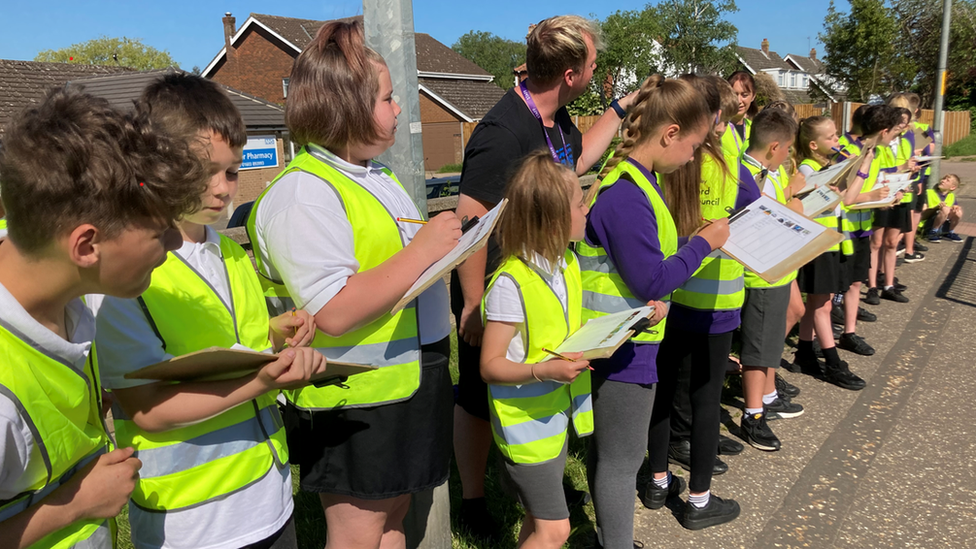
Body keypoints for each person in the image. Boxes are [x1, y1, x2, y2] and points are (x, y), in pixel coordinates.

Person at [247, 21, 460, 549]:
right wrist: (425, 250)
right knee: (357, 532)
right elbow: (335, 311)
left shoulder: (376, 175)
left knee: (394, 513)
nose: (400, 110)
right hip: (352, 396)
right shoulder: (303, 193)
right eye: (389, 99)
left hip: (405, 379)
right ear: (349, 107)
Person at [92, 74, 327, 549]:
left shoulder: (230, 253)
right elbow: (144, 408)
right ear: (158, 166)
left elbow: (230, 339)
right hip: (190, 521)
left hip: (270, 496)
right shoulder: (127, 274)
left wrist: (275, 333)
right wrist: (264, 381)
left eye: (233, 171)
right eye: (205, 172)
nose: (222, 188)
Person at [450, 15, 638, 536]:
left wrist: (621, 109)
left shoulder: (556, 121)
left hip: (537, 276)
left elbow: (576, 161)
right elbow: (471, 224)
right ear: (571, 74)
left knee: (527, 385)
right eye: (593, 65)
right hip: (494, 285)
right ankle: (472, 498)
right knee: (475, 394)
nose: (596, 72)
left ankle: (535, 479)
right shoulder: (502, 131)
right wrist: (471, 305)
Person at [0, 88, 208, 548]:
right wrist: (75, 504)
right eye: (160, 231)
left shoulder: (64, 290)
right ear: (86, 246)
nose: (176, 243)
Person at [580, 75, 731, 538]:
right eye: (693, 145)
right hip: (623, 351)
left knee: (610, 459)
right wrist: (702, 244)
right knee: (622, 464)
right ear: (669, 133)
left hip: (622, 341)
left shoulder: (637, 181)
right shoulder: (628, 193)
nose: (694, 157)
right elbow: (650, 276)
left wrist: (688, 242)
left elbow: (646, 254)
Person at [479, 151, 593, 549]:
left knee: (537, 520)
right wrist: (543, 371)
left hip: (553, 418)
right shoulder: (511, 283)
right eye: (579, 204)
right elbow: (489, 366)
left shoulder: (566, 264)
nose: (586, 210)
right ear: (554, 217)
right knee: (556, 530)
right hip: (525, 428)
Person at [654, 75, 746, 480]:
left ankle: (658, 479)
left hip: (670, 292)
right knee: (705, 397)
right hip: (713, 299)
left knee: (668, 384)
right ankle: (699, 497)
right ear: (714, 116)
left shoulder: (667, 158)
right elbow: (745, 212)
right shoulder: (720, 159)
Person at [733, 108, 814, 453]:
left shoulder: (767, 170)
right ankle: (753, 415)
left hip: (778, 269)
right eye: (786, 150)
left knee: (767, 341)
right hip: (761, 274)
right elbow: (770, 218)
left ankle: (766, 395)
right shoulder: (751, 176)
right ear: (774, 147)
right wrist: (794, 201)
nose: (789, 158)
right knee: (758, 343)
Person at [866, 107, 914, 304]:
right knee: (876, 242)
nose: (902, 128)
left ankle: (888, 285)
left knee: (892, 242)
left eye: (905, 124)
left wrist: (908, 177)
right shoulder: (880, 145)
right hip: (881, 195)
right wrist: (901, 169)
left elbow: (907, 165)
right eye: (898, 125)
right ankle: (871, 287)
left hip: (898, 195)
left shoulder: (904, 142)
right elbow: (880, 171)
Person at [722, 71, 756, 159]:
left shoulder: (755, 129)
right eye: (734, 94)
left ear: (753, 96)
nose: (739, 101)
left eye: (744, 95)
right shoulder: (718, 127)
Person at [922, 174, 964, 242]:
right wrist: (936, 208)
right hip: (927, 224)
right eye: (943, 178)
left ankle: (950, 232)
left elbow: (953, 209)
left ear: (952, 187)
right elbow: (921, 214)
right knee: (945, 209)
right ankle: (932, 232)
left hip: (943, 224)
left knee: (958, 212)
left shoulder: (951, 196)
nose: (943, 181)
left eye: (947, 180)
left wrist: (955, 208)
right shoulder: (929, 193)